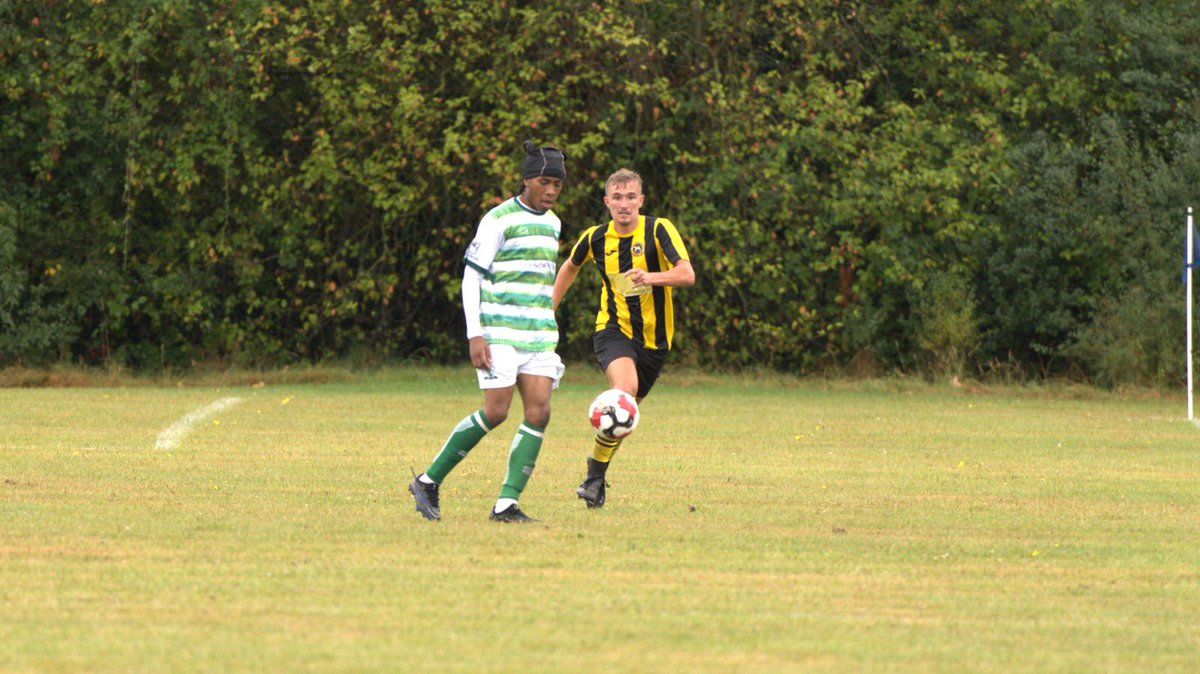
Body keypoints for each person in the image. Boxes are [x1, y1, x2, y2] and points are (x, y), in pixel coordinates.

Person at [409, 141, 567, 523]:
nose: (551, 191)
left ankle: (506, 504)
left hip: (539, 336)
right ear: (526, 180)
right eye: (545, 182)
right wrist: (474, 334)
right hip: (499, 333)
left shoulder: (553, 223)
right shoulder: (498, 219)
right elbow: (470, 277)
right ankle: (428, 481)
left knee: (539, 412)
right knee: (496, 411)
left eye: (557, 185)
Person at [552, 168, 694, 508]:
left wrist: (651, 277)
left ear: (641, 200)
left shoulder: (658, 229)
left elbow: (686, 274)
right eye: (617, 197)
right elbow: (571, 265)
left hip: (655, 342)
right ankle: (594, 479)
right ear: (607, 202)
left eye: (631, 197)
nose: (624, 204)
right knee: (624, 392)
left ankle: (594, 476)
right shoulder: (595, 238)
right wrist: (549, 309)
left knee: (625, 416)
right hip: (612, 330)